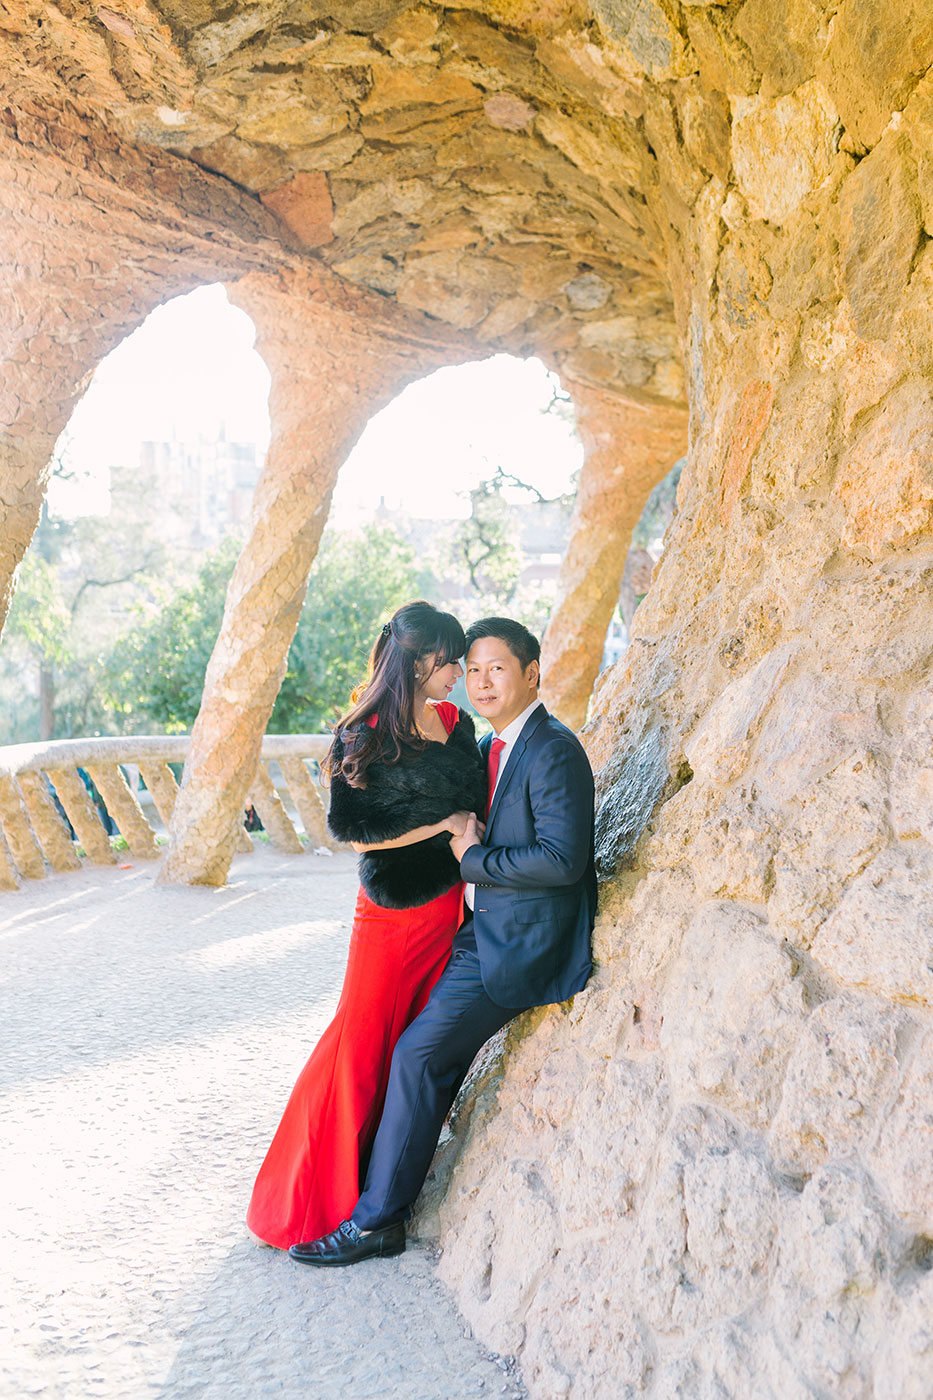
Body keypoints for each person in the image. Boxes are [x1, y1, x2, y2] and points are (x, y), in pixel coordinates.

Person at [288, 616, 596, 1267]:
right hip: (426, 922)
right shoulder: (489, 743)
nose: (472, 681)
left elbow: (561, 860)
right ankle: (333, 1194)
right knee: (375, 1046)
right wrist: (458, 840)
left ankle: (376, 1219)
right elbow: (362, 830)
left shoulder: (542, 747)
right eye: (465, 665)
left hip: (498, 939)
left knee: (415, 1055)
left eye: (490, 669)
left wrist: (471, 856)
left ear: (531, 675)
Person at [245, 601, 486, 1249]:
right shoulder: (365, 730)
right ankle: (309, 1203)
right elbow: (354, 833)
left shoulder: (456, 723)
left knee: (413, 1051)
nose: (458, 672)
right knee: (361, 1047)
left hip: (445, 912)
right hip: (390, 917)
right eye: (449, 660)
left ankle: (378, 1187)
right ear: (415, 660)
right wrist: (439, 827)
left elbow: (475, 801)